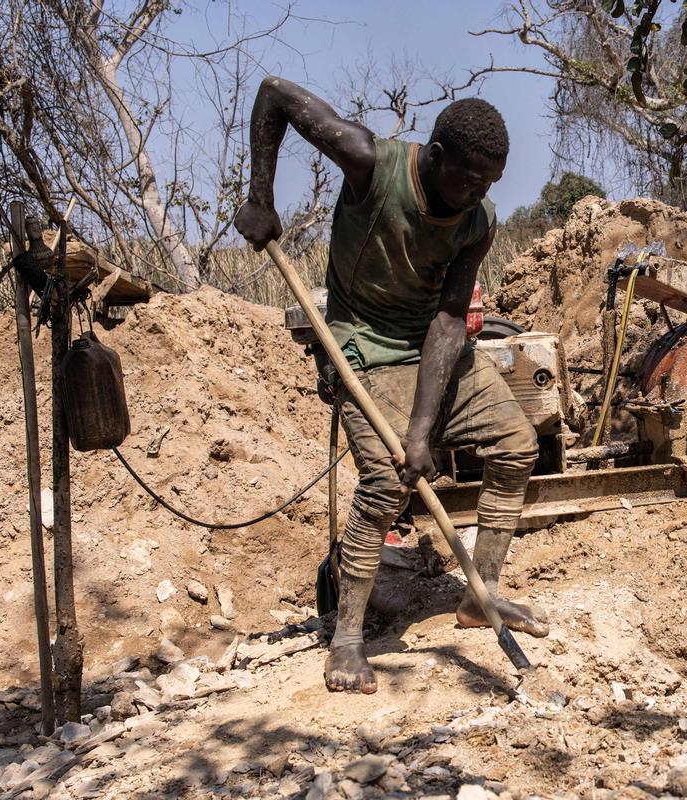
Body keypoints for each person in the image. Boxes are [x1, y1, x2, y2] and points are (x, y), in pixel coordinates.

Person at [234, 77, 548, 694]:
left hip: (428, 348)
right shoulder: (370, 162)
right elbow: (273, 94)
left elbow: (449, 320)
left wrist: (423, 430)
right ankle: (347, 639)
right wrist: (260, 197)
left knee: (516, 443)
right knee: (383, 482)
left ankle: (481, 596)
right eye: (468, 180)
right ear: (434, 157)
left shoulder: (476, 221)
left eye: (489, 185)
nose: (479, 195)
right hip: (361, 346)